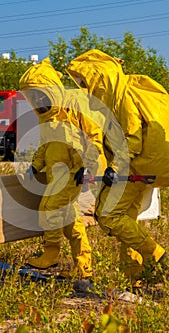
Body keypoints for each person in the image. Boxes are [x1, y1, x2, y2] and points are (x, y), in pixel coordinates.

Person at [66, 49, 168, 283]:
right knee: (127, 220)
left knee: (108, 214)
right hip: (146, 166)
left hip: (134, 166)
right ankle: (137, 276)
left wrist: (114, 167)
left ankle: (157, 255)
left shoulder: (121, 98)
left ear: (98, 77)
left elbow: (132, 136)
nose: (83, 87)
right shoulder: (127, 90)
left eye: (84, 81)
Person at [19, 58, 106, 278]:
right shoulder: (46, 119)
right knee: (70, 222)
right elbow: (45, 146)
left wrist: (88, 167)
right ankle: (83, 267)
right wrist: (36, 165)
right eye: (33, 97)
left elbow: (94, 138)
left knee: (48, 208)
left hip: (73, 174)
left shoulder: (75, 108)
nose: (38, 101)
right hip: (55, 176)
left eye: (40, 95)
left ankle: (50, 255)